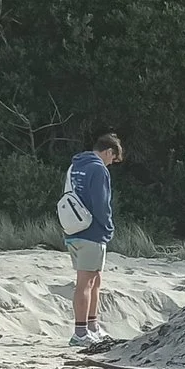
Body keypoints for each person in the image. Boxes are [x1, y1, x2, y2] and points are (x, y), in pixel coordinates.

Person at [62, 134, 124, 347]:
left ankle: (92, 326)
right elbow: (101, 203)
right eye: (113, 159)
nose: (111, 163)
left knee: (94, 280)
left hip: (73, 229)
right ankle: (80, 332)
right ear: (109, 151)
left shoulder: (75, 166)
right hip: (91, 232)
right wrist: (108, 227)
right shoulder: (98, 169)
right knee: (86, 282)